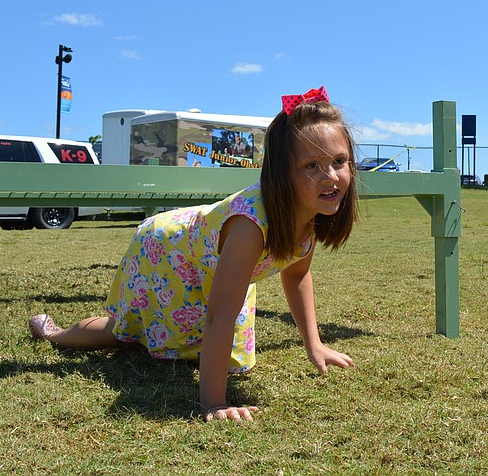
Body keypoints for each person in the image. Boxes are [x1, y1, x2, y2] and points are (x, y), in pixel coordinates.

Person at [28, 86, 358, 423]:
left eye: (339, 161)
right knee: (125, 334)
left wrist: (313, 344)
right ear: (281, 173)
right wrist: (214, 403)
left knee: (226, 358)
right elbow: (219, 317)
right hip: (167, 249)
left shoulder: (312, 211)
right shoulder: (250, 226)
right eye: (311, 166)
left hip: (211, 264)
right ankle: (54, 333)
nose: (330, 176)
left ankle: (149, 339)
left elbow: (297, 273)